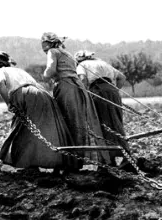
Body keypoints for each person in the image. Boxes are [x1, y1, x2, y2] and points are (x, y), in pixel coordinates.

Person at [0, 51, 81, 170]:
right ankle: (59, 163)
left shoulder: (0, 71)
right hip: (43, 94)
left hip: (26, 95)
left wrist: (9, 104)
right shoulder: (19, 70)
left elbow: (1, 85)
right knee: (51, 128)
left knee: (23, 129)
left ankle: (28, 163)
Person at [41, 32, 111, 165]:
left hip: (66, 87)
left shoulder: (53, 51)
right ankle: (81, 158)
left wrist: (43, 76)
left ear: (48, 43)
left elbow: (50, 70)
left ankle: (73, 161)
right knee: (78, 121)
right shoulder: (67, 53)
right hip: (77, 87)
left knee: (68, 121)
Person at [75, 50, 135, 171]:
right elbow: (122, 78)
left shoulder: (82, 65)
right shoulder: (102, 63)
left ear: (79, 60)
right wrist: (111, 90)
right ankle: (125, 157)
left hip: (97, 91)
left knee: (101, 125)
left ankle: (108, 160)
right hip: (113, 92)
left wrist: (85, 94)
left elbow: (83, 79)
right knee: (116, 123)